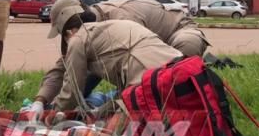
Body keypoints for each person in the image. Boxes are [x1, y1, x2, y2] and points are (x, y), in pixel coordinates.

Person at [25, 0, 207, 118]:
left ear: (69, 29)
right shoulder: (82, 34)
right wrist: (40, 100)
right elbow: (64, 66)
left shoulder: (121, 18)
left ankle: (187, 95)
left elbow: (140, 65)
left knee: (180, 67)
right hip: (152, 66)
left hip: (178, 33)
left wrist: (60, 110)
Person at [49, 8, 183, 112]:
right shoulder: (115, 27)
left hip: (152, 78)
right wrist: (101, 112)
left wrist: (53, 113)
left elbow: (72, 91)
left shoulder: (77, 39)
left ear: (68, 33)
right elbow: (125, 92)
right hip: (177, 67)